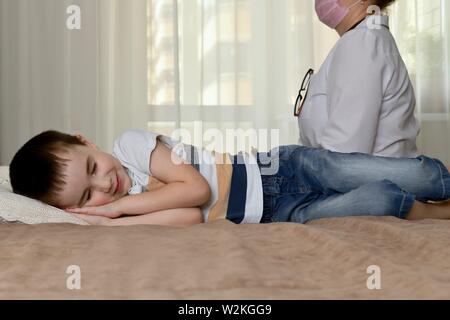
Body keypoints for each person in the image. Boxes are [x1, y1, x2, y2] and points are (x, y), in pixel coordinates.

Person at [8, 129, 450, 227]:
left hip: (279, 169)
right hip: (282, 215)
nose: (105, 186)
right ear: (72, 208)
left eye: (92, 168)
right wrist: (109, 221)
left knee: (374, 171)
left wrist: (123, 206)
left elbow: (197, 190)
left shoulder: (130, 149)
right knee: (373, 201)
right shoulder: (115, 219)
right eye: (88, 194)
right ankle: (436, 215)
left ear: (87, 141)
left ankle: (439, 184)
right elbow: (189, 219)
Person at [296, 0, 420, 157]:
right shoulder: (364, 39)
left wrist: (290, 162)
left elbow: (343, 156)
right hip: (358, 178)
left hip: (367, 180)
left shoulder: (363, 41)